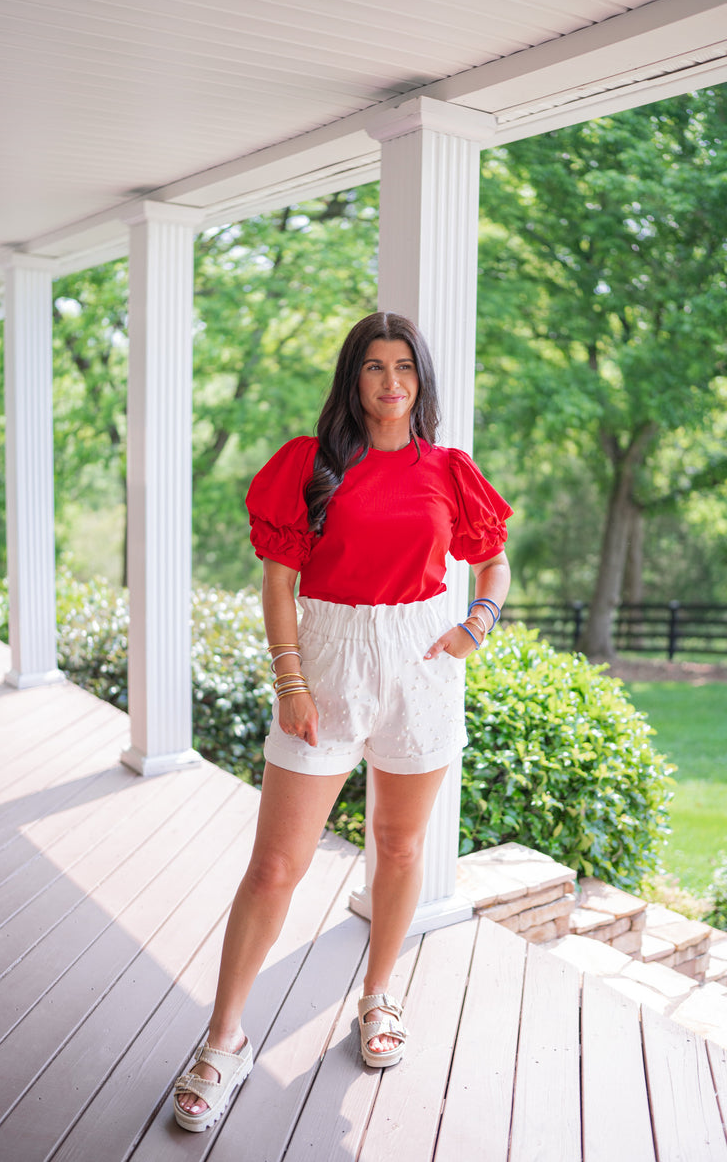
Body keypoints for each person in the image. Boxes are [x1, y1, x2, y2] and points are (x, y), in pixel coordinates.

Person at [173, 311, 512, 1132]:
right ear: (352, 378)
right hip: (325, 666)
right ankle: (223, 1038)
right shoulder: (309, 463)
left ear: (420, 380)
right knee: (276, 866)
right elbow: (279, 583)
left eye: (404, 367)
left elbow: (492, 557)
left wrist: (478, 621)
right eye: (374, 367)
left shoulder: (449, 470)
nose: (391, 382)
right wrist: (290, 678)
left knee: (397, 847)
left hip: (421, 667)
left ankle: (378, 994)